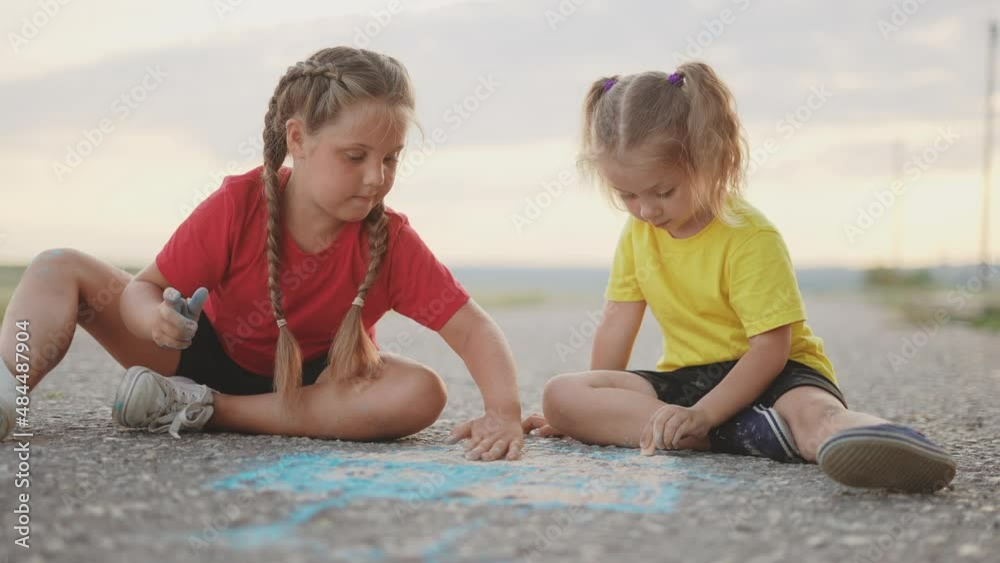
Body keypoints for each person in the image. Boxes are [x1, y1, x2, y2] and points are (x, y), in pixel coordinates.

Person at [0, 47, 524, 462]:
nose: (376, 177)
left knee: (422, 392)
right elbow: (143, 288)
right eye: (355, 156)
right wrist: (155, 319)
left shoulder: (389, 241)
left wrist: (503, 412)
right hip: (193, 353)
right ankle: (6, 388)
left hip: (313, 387)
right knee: (55, 266)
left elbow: (473, 329)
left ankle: (204, 410)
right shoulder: (239, 204)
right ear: (298, 138)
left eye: (391, 159)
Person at [522, 63, 956, 491]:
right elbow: (617, 322)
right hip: (691, 380)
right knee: (562, 395)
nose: (646, 210)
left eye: (663, 191)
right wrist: (591, 413)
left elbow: (771, 348)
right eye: (627, 196)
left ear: (709, 160)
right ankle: (748, 434)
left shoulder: (749, 235)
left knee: (816, 416)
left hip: (777, 372)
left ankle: (885, 443)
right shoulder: (639, 235)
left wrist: (707, 413)